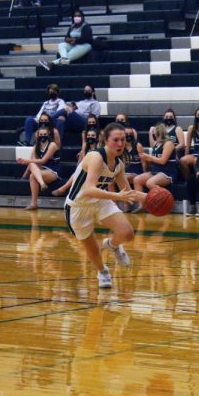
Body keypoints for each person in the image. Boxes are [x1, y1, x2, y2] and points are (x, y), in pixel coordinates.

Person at [60, 122, 146, 289]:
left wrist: (151, 197)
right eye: (116, 140)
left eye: (123, 139)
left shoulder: (119, 165)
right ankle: (103, 271)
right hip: (78, 206)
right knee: (92, 248)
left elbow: (128, 192)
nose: (120, 144)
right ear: (106, 140)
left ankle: (112, 244)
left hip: (100, 201)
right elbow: (88, 189)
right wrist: (116, 196)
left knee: (127, 233)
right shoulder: (96, 157)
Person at [20, 123, 61, 210]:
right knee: (32, 173)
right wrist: (25, 173)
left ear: (48, 134)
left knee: (32, 170)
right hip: (42, 170)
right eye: (41, 134)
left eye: (45, 134)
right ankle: (34, 203)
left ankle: (41, 186)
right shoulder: (36, 146)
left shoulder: (52, 145)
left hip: (53, 171)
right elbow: (34, 162)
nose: (43, 136)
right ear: (37, 135)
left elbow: (43, 161)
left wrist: (26, 161)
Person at [133, 123, 177, 195]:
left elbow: (163, 161)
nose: (153, 132)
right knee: (137, 180)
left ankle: (166, 199)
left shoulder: (168, 143)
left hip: (167, 172)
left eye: (154, 130)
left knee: (150, 183)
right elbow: (153, 160)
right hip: (155, 171)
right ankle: (142, 205)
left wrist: (148, 157)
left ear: (159, 131)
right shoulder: (156, 144)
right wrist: (145, 159)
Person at [180, 106, 199, 179]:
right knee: (182, 160)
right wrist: (186, 155)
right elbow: (188, 146)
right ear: (195, 116)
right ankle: (189, 181)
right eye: (198, 115)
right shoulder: (191, 128)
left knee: (196, 161)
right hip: (195, 154)